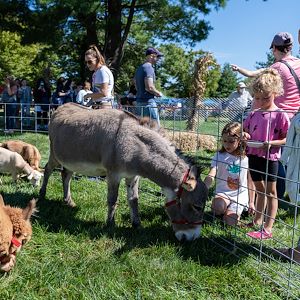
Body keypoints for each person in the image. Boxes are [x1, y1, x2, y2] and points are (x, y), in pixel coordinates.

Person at [232, 32, 300, 201]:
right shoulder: (299, 63)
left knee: (275, 159)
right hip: (296, 119)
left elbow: (257, 82)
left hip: (276, 118)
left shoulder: (276, 68)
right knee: (293, 159)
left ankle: (273, 198)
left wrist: (252, 117)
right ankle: (287, 196)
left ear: (275, 48)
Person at [243, 69, 290, 240]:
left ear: (275, 93)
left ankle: (268, 228)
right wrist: (245, 136)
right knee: (259, 189)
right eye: (257, 98)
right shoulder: (253, 114)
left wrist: (272, 144)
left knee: (271, 192)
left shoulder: (280, 115)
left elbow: (286, 139)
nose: (261, 102)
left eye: (265, 98)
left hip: (271, 158)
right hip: (253, 155)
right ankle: (257, 221)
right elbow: (246, 131)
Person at [204, 122, 249, 226]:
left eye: (231, 141)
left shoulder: (245, 159)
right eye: (224, 141)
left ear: (239, 141)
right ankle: (227, 210)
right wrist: (204, 186)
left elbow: (250, 180)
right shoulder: (219, 155)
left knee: (230, 222)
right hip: (223, 193)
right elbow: (212, 172)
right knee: (216, 209)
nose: (227, 144)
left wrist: (251, 202)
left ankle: (233, 212)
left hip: (239, 196)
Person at [134, 47, 164, 125]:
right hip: (148, 104)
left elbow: (136, 86)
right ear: (151, 56)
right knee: (156, 129)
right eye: (157, 57)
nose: (158, 59)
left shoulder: (140, 68)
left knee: (143, 128)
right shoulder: (149, 68)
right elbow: (149, 87)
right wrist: (159, 93)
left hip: (139, 103)